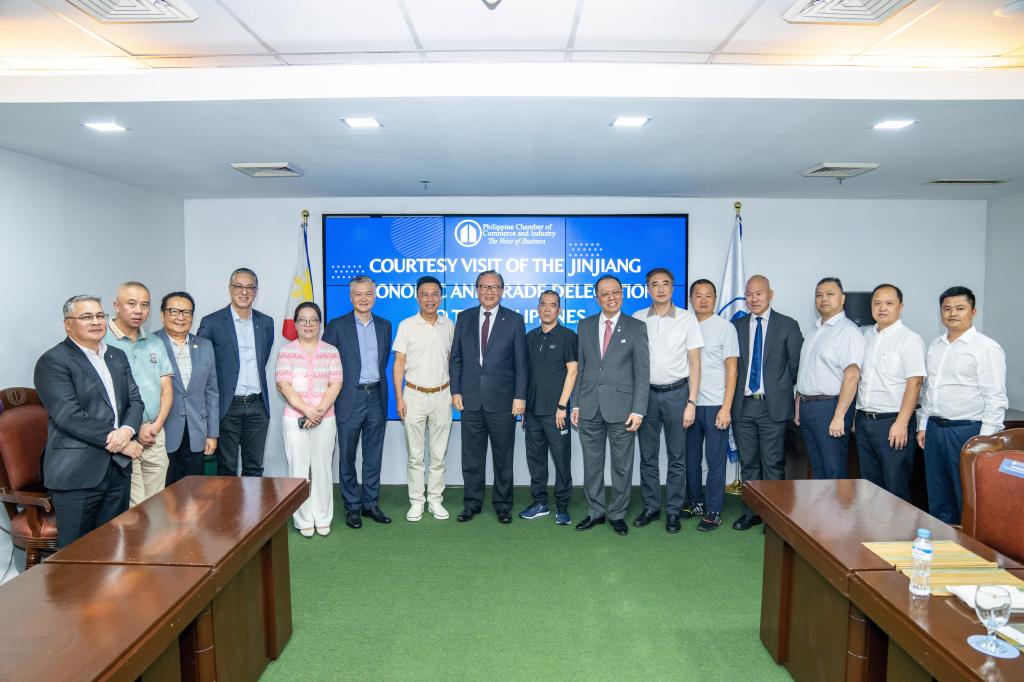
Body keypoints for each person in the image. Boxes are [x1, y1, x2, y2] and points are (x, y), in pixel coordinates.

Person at [34, 295, 144, 548]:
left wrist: (127, 431)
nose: (96, 322)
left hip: (118, 468)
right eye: (86, 317)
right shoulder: (53, 360)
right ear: (68, 324)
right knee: (75, 553)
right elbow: (68, 415)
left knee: (113, 546)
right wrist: (119, 441)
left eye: (100, 316)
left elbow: (135, 401)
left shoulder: (116, 356)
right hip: (77, 471)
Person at [917, 286, 1007, 525]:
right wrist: (923, 424)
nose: (952, 313)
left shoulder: (986, 348)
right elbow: (929, 389)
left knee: (967, 496)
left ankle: (970, 546)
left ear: (973, 312)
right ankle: (942, 542)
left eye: (960, 308)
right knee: (938, 495)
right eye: (947, 308)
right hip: (935, 429)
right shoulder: (936, 346)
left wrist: (985, 441)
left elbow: (995, 397)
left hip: (967, 431)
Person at [572, 274, 650, 536]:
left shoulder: (636, 327)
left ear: (622, 295)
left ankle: (617, 514)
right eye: (604, 293)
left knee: (622, 466)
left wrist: (638, 410)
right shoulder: (584, 325)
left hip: (623, 410)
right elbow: (581, 369)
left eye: (615, 292)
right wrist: (575, 404)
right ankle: (595, 512)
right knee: (592, 465)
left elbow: (642, 373)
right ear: (597, 298)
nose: (611, 297)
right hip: (589, 406)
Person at [450, 270, 528, 525]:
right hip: (470, 399)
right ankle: (471, 503)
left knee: (503, 457)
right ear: (477, 290)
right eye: (484, 286)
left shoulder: (514, 320)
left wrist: (520, 396)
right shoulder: (464, 318)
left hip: (503, 401)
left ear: (502, 291)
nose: (489, 291)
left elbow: (521, 364)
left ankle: (503, 505)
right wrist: (456, 390)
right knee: (471, 457)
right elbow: (456, 358)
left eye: (494, 287)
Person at [632, 267, 703, 534]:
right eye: (655, 284)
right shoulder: (638, 318)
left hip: (677, 394)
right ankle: (651, 507)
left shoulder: (687, 319)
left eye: (665, 284)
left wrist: (692, 402)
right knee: (648, 456)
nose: (660, 289)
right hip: (646, 395)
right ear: (648, 289)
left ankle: (673, 510)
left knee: (677, 457)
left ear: (673, 288)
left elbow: (695, 363)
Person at [730, 275, 803, 531]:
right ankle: (751, 512)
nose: (754, 299)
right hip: (743, 406)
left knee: (773, 463)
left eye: (759, 293)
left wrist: (778, 388)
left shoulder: (788, 325)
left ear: (770, 294)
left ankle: (773, 518)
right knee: (749, 463)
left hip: (773, 406)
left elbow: (796, 365)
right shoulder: (736, 326)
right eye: (749, 294)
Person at [323, 276, 393, 529]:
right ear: (351, 297)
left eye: (368, 294)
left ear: (375, 296)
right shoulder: (336, 325)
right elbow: (326, 364)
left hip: (376, 396)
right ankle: (352, 505)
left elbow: (384, 362)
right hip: (348, 398)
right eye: (358, 294)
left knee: (373, 455)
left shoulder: (385, 326)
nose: (364, 299)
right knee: (347, 455)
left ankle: (370, 504)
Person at [198, 267, 274, 477]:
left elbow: (264, 356)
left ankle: (254, 502)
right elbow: (202, 364)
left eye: (250, 287)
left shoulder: (266, 323)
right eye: (239, 286)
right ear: (230, 288)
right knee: (227, 469)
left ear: (256, 291)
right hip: (227, 406)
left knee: (254, 468)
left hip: (257, 406)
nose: (244, 292)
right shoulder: (211, 322)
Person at [275, 302, 343, 537]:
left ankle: (323, 516)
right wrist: (307, 410)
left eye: (313, 320)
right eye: (303, 320)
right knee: (299, 469)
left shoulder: (331, 351)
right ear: (295, 324)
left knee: (323, 468)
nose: (308, 324)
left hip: (326, 418)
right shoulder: (286, 351)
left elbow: (335, 383)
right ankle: (303, 518)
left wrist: (319, 412)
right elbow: (283, 385)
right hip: (295, 418)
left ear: (319, 324)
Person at [104, 281, 174, 505]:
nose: (139, 310)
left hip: (154, 433)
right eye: (131, 304)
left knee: (157, 504)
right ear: (116, 305)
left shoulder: (155, 342)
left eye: (144, 305)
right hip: (121, 436)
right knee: (133, 509)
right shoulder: (101, 340)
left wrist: (157, 425)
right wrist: (134, 428)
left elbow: (166, 387)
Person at [855, 283, 926, 502]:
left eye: (889, 303)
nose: (882, 308)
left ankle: (897, 526)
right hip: (864, 421)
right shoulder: (865, 337)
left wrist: (901, 423)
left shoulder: (910, 340)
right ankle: (873, 525)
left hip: (893, 422)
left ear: (900, 307)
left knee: (895, 487)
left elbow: (915, 383)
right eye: (877, 303)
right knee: (869, 487)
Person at [393, 276, 456, 522]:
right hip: (414, 395)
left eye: (434, 294)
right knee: (415, 456)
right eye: (425, 294)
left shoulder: (449, 325)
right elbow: (399, 364)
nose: (430, 299)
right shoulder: (406, 325)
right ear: (417, 297)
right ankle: (417, 501)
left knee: (438, 455)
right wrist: (399, 398)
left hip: (442, 395)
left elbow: (452, 361)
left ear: (441, 297)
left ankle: (435, 500)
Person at [795, 277, 864, 480]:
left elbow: (852, 375)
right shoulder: (814, 332)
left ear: (842, 299)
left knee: (834, 469)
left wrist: (839, 416)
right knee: (817, 469)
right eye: (819, 295)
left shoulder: (848, 331)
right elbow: (806, 372)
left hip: (830, 408)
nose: (823, 299)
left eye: (830, 294)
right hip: (808, 407)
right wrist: (799, 405)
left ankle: (837, 504)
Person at [520, 290, 578, 525]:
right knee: (536, 460)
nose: (547, 309)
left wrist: (562, 406)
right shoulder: (529, 337)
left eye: (552, 305)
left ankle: (562, 506)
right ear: (537, 308)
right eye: (543, 304)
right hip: (532, 412)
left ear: (559, 310)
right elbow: (525, 374)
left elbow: (572, 372)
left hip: (557, 413)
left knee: (561, 460)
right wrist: (524, 407)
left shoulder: (568, 336)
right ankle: (540, 503)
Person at [685, 279, 739, 532]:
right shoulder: (685, 325)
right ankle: (695, 502)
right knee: (690, 458)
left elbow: (732, 369)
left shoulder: (725, 328)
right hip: (689, 404)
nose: (703, 300)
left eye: (708, 295)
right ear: (690, 299)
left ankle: (713, 509)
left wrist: (726, 408)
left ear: (715, 299)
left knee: (715, 460)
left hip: (716, 404)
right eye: (698, 295)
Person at [154, 291, 219, 485]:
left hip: (196, 432)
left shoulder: (205, 345)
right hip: (161, 432)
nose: (180, 317)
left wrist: (212, 433)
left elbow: (211, 391)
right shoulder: (151, 343)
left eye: (187, 312)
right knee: (162, 493)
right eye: (174, 311)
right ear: (162, 314)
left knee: (192, 491)